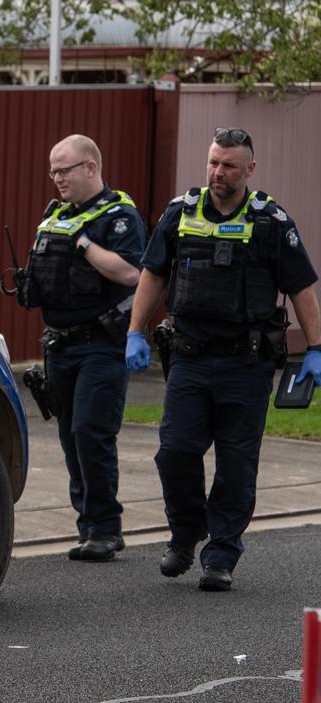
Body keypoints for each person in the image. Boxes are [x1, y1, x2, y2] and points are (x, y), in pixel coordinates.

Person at [125, 127, 321, 591]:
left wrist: (315, 349)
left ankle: (221, 554)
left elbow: (301, 290)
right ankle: (186, 533)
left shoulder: (271, 221)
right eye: (213, 162)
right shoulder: (180, 213)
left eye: (229, 165)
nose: (218, 173)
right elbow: (153, 274)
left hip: (246, 364)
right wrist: (134, 331)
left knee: (236, 464)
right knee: (175, 452)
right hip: (189, 359)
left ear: (249, 169)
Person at [17, 134, 145, 562]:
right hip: (60, 346)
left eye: (64, 170)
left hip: (100, 346)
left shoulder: (119, 216)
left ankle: (106, 529)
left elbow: (131, 273)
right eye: (52, 171)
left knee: (91, 434)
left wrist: (85, 244)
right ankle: (87, 525)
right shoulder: (56, 215)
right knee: (71, 438)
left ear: (90, 168)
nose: (56, 179)